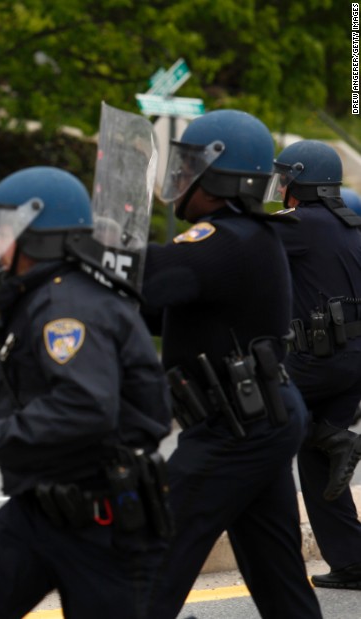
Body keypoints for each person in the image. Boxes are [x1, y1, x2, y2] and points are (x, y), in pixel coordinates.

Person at [0, 166, 172, 618]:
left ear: (40, 237)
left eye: (3, 231)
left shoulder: (67, 309)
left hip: (103, 526)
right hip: (36, 514)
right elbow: (29, 419)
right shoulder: (42, 300)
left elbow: (84, 409)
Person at [141, 109, 322, 618]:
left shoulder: (225, 239)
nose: (179, 179)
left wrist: (89, 248)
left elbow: (148, 277)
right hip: (257, 418)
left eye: (190, 166)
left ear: (220, 176)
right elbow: (157, 306)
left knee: (151, 557)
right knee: (278, 577)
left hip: (235, 428)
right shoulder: (242, 238)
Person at [266, 140, 361, 590]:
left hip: (317, 361)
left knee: (262, 417)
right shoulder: (350, 224)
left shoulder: (302, 224)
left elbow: (246, 243)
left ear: (301, 182)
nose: (281, 187)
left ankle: (333, 436)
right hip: (350, 364)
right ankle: (353, 561)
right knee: (318, 463)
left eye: (286, 178)